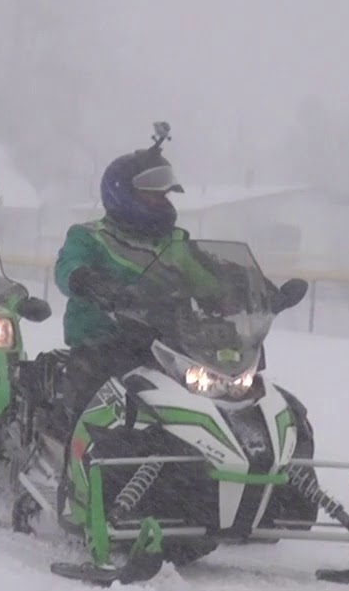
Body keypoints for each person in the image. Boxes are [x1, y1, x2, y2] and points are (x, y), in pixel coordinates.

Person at [51, 134, 306, 434]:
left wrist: (260, 292)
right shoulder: (89, 236)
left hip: (168, 345)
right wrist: (88, 281)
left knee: (246, 398)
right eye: (152, 194)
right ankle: (73, 470)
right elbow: (68, 266)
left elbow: (212, 277)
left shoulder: (177, 244)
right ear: (122, 193)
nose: (161, 201)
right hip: (105, 342)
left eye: (164, 195)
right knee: (94, 408)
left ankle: (275, 467)